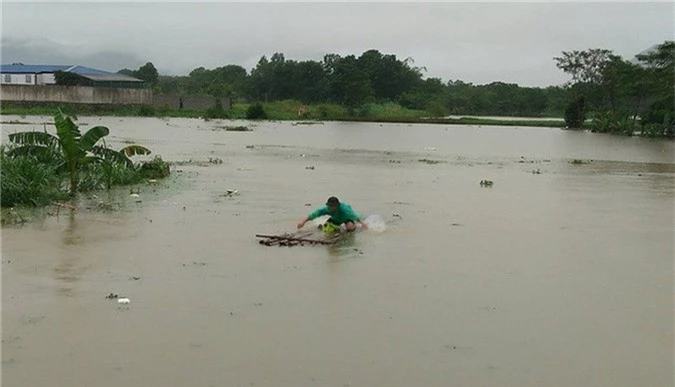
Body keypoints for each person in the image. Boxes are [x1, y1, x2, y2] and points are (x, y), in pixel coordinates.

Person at [297, 196, 367, 232]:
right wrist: (302, 222)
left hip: (346, 219)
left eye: (333, 206)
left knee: (350, 228)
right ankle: (322, 227)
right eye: (330, 206)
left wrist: (363, 224)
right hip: (335, 219)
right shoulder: (326, 209)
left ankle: (353, 228)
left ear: (337, 205)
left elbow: (354, 216)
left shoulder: (344, 209)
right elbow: (313, 215)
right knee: (328, 231)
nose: (331, 208)